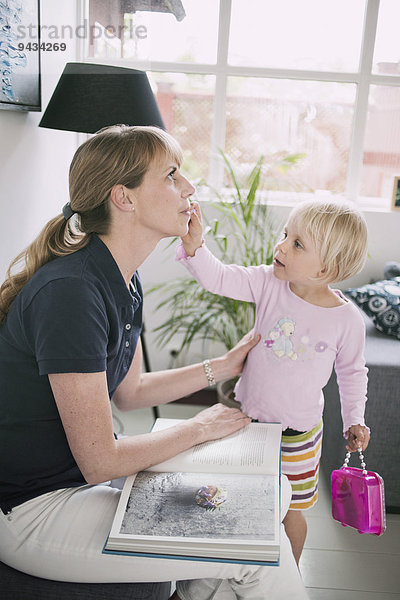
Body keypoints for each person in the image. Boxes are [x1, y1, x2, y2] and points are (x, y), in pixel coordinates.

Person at [0, 125, 309, 600]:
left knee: (275, 496)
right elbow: (101, 459)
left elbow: (132, 390)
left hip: (72, 479)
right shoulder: (71, 294)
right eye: (171, 176)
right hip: (33, 507)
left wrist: (225, 366)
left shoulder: (122, 278)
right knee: (256, 552)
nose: (189, 188)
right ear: (123, 198)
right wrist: (199, 428)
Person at [177, 198, 371, 564]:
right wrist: (194, 247)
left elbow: (351, 374)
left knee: (290, 512)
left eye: (297, 244)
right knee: (239, 496)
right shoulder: (267, 283)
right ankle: (237, 564)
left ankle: (287, 581)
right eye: (286, 234)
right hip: (246, 421)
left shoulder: (347, 320)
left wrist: (354, 419)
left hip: (297, 434)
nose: (280, 245)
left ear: (325, 267)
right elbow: (219, 277)